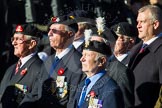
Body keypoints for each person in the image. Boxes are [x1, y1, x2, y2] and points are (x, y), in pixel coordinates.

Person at [20, 14, 83, 108]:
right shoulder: (48, 61)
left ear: (70, 34)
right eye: (49, 30)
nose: (49, 33)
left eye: (54, 30)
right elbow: (35, 94)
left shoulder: (79, 63)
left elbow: (73, 102)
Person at [73, 35, 124, 108]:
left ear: (102, 61)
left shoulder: (110, 90)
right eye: (82, 55)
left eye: (87, 55)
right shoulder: (83, 84)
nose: (81, 59)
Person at [0, 24, 43, 108]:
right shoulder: (10, 69)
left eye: (19, 39)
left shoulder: (40, 69)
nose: (13, 43)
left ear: (31, 44)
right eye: (13, 39)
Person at [128, 5, 162, 108]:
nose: (138, 26)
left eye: (142, 22)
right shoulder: (136, 48)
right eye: (137, 22)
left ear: (155, 24)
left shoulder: (160, 51)